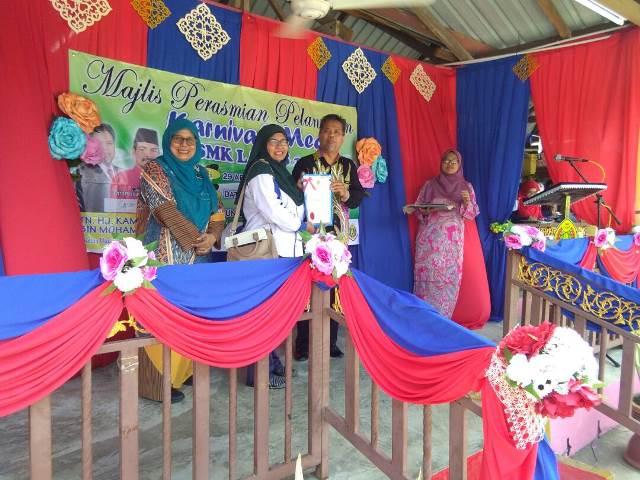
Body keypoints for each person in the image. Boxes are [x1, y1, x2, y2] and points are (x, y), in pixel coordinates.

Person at [135, 118, 225, 403]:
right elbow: (164, 210)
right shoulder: (155, 168)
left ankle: (182, 371)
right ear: (168, 141)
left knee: (192, 314)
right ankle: (156, 383)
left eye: (190, 139)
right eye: (178, 139)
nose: (184, 144)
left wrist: (213, 236)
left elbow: (218, 210)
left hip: (199, 258)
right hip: (164, 259)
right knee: (162, 315)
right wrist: (199, 240)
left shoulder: (201, 173)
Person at [236, 123, 314, 389]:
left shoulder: (280, 174)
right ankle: (258, 373)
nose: (280, 146)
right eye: (273, 141)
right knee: (263, 313)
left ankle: (272, 362)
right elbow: (275, 212)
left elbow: (291, 210)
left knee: (275, 313)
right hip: (265, 254)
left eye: (284, 141)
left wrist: (301, 193)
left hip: (282, 254)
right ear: (263, 145)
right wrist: (300, 225)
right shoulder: (261, 170)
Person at [292, 114, 365, 360]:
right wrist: (298, 188)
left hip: (338, 237)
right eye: (326, 130)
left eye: (336, 132)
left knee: (335, 285)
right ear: (319, 134)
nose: (331, 136)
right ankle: (303, 344)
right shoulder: (305, 163)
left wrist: (346, 193)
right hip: (310, 235)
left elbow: (357, 198)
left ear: (343, 137)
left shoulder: (348, 166)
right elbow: (291, 196)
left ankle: (331, 341)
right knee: (307, 287)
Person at [404, 149, 479, 318]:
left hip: (451, 245)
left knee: (447, 280)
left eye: (454, 161)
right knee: (427, 279)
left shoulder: (466, 187)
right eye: (446, 160)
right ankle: (423, 317)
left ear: (459, 164)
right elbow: (419, 208)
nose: (449, 164)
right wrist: (423, 210)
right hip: (428, 244)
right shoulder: (430, 185)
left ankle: (443, 319)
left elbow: (471, 214)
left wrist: (467, 202)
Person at [77, 123, 122, 212]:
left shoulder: (124, 172)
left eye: (109, 143)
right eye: (99, 144)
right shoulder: (81, 173)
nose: (105, 148)